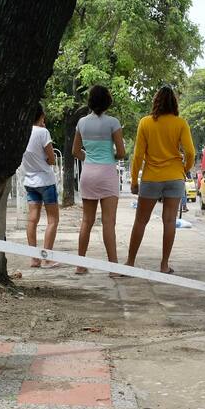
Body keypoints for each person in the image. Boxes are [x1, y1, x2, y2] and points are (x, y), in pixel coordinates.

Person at [126, 86, 195, 274]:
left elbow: (138, 155)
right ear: (174, 103)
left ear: (155, 102)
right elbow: (190, 152)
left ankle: (130, 263)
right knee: (170, 221)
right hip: (175, 177)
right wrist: (184, 169)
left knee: (141, 221)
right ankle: (164, 265)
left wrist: (134, 180)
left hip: (151, 178)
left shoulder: (145, 123)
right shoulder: (180, 123)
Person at [72, 86, 127, 276]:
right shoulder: (113, 123)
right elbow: (121, 153)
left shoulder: (81, 123)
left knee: (87, 221)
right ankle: (113, 268)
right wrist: (110, 156)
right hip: (107, 174)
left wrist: (89, 157)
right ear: (107, 102)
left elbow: (75, 151)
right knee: (108, 222)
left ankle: (80, 265)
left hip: (88, 174)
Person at [22, 104, 60, 268]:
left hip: (29, 181)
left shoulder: (23, 132)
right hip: (45, 181)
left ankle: (34, 258)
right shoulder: (43, 133)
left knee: (32, 219)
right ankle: (46, 258)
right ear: (41, 115)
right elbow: (52, 159)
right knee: (53, 220)